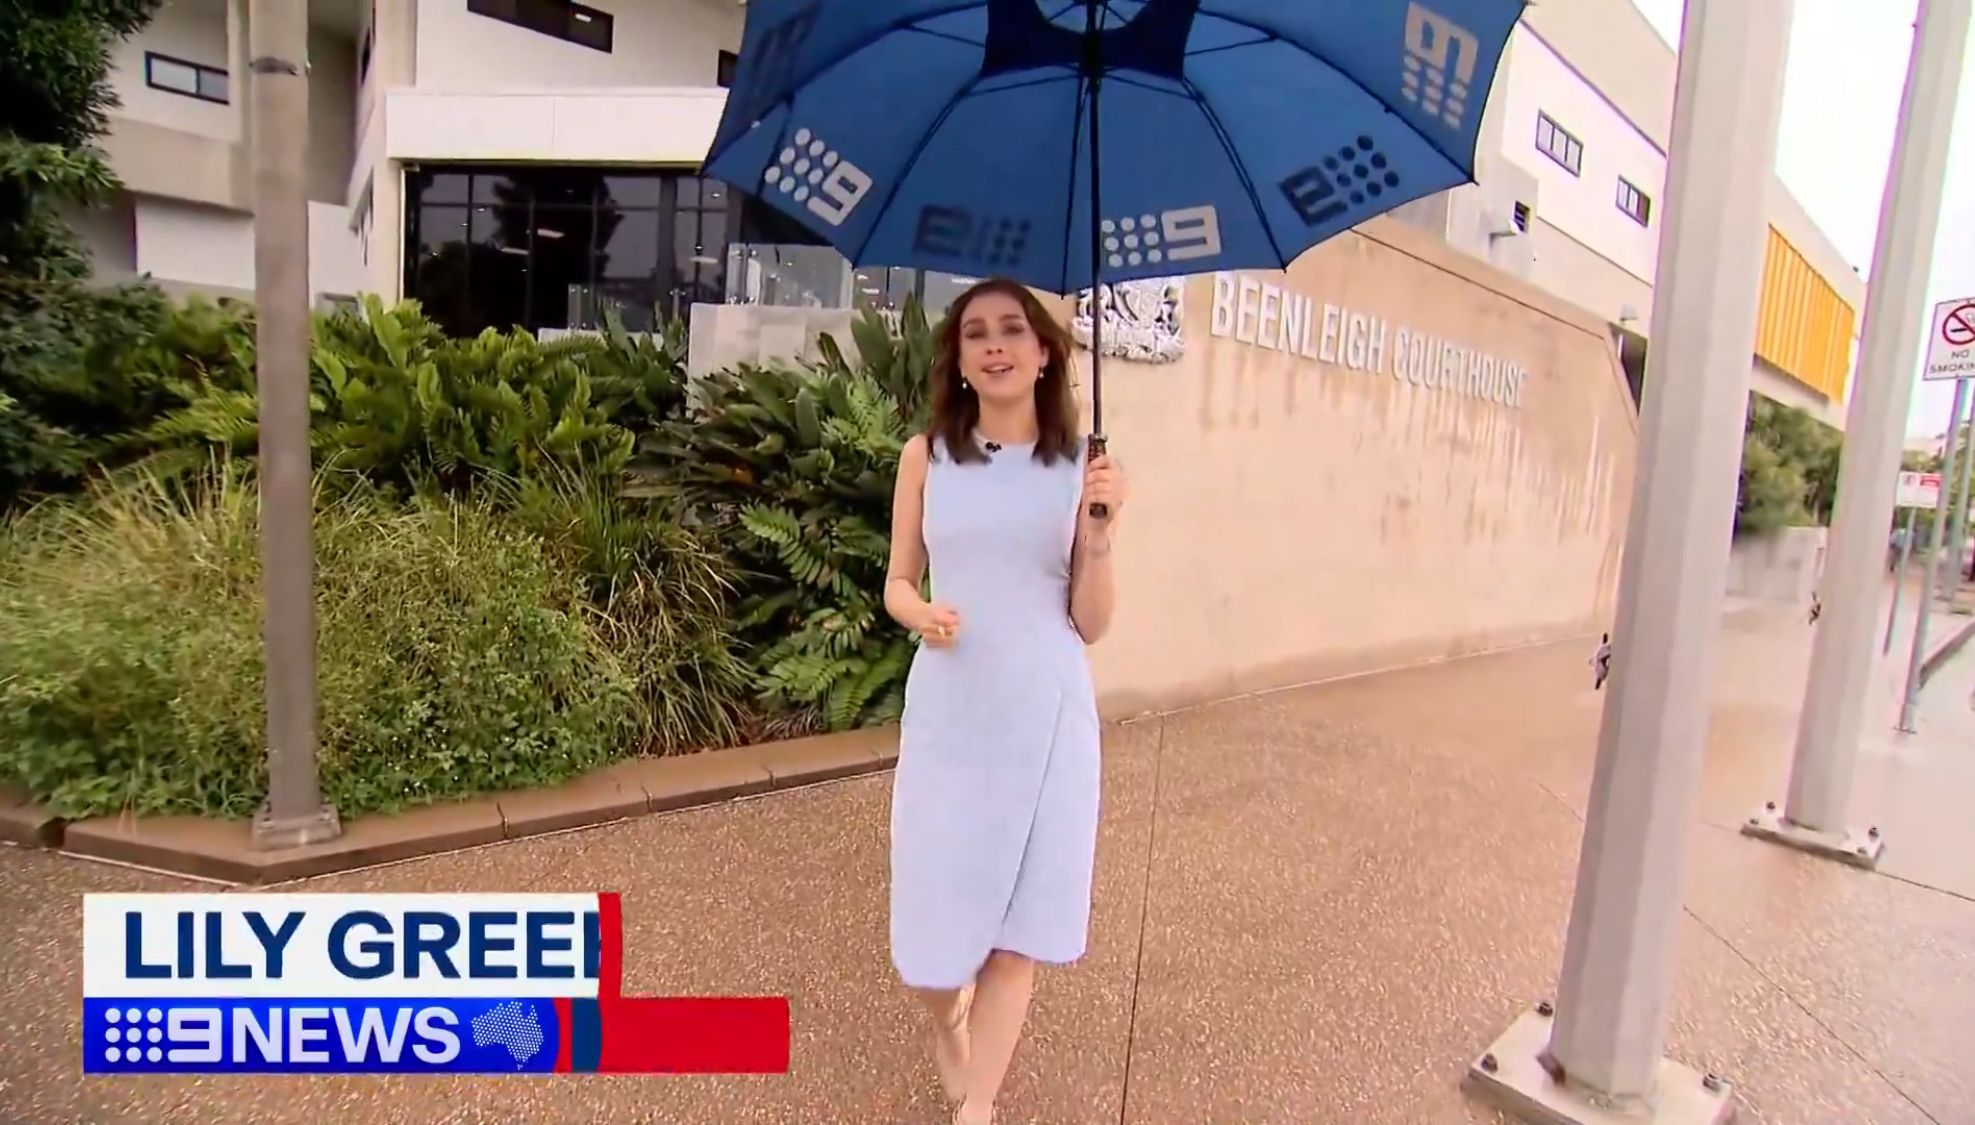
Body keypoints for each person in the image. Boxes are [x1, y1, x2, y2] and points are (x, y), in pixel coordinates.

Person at [882, 278, 1127, 1125]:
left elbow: (1089, 622)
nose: (995, 345)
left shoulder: (1083, 468)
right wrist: (919, 612)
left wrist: (1099, 534)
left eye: (1013, 330)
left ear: (1044, 352)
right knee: (931, 947)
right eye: (976, 332)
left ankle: (976, 1106)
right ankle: (945, 1020)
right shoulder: (925, 456)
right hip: (951, 713)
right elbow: (898, 580)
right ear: (956, 358)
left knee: (1019, 933)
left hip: (1048, 715)